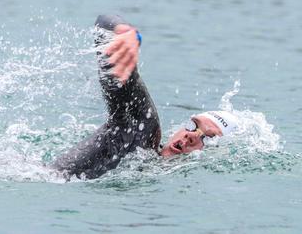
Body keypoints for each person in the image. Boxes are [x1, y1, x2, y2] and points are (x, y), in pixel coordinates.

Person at [54, 15, 238, 179]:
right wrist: (124, 32)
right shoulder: (141, 132)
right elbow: (103, 25)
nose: (191, 135)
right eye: (193, 125)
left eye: (208, 138)